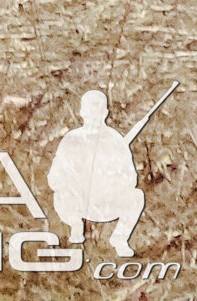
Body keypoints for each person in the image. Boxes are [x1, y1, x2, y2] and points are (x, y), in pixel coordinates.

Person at [49, 91, 145, 256]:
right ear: (81, 113)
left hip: (105, 203)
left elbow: (131, 178)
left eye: (97, 113)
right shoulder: (71, 139)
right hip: (77, 203)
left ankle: (120, 238)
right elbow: (54, 177)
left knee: (136, 196)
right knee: (60, 195)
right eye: (89, 112)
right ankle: (75, 225)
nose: (93, 117)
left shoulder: (115, 140)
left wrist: (112, 177)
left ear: (105, 114)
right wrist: (73, 180)